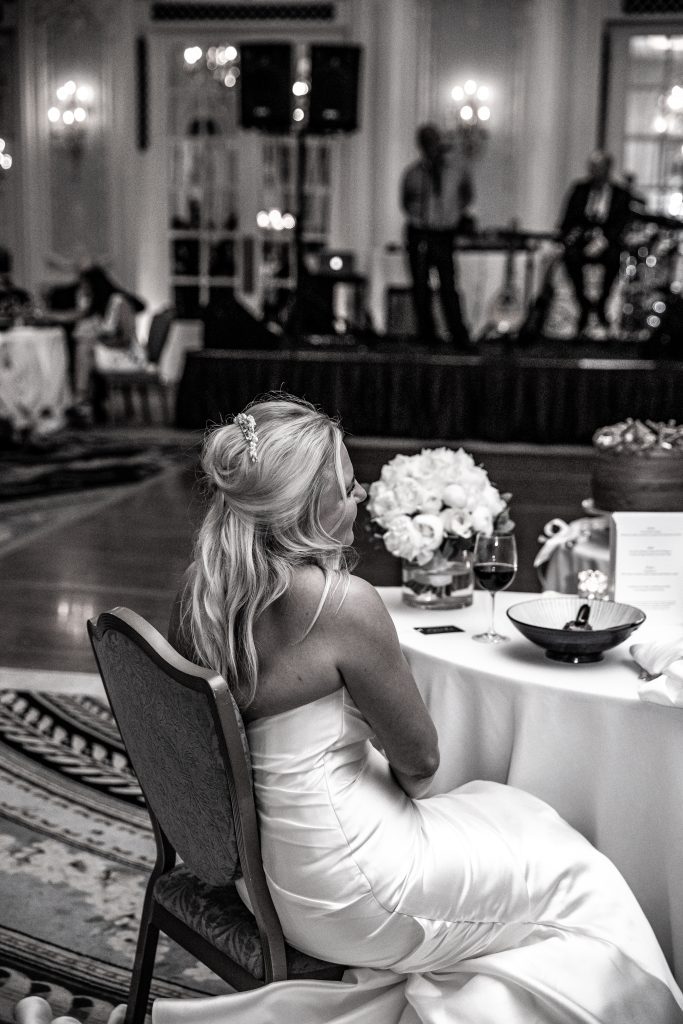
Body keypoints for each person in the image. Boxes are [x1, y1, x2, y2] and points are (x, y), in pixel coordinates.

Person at [155, 393, 683, 1024]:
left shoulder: (203, 591)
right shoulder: (341, 605)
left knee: (521, 815)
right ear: (307, 506)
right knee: (577, 872)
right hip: (352, 891)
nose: (361, 494)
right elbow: (422, 761)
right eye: (349, 485)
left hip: (261, 872)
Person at [400, 124, 474, 349]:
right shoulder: (414, 174)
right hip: (420, 232)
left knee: (448, 286)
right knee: (421, 287)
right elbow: (406, 202)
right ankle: (427, 335)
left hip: (444, 233)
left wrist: (452, 216)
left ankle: (457, 334)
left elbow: (466, 196)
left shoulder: (457, 171)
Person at [558, 150, 633, 335]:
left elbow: (622, 223)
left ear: (608, 169)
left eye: (599, 168)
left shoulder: (620, 194)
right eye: (593, 168)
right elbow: (567, 219)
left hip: (609, 241)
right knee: (570, 257)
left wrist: (604, 240)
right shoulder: (579, 189)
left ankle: (602, 305)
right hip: (582, 240)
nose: (595, 172)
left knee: (614, 259)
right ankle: (584, 305)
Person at [72, 265, 145, 414]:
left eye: (85, 285)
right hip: (110, 352)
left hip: (128, 356)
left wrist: (102, 343)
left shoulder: (119, 302)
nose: (83, 289)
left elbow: (126, 338)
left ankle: (82, 399)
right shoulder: (100, 306)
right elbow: (75, 316)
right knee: (84, 348)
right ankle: (90, 401)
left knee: (84, 350)